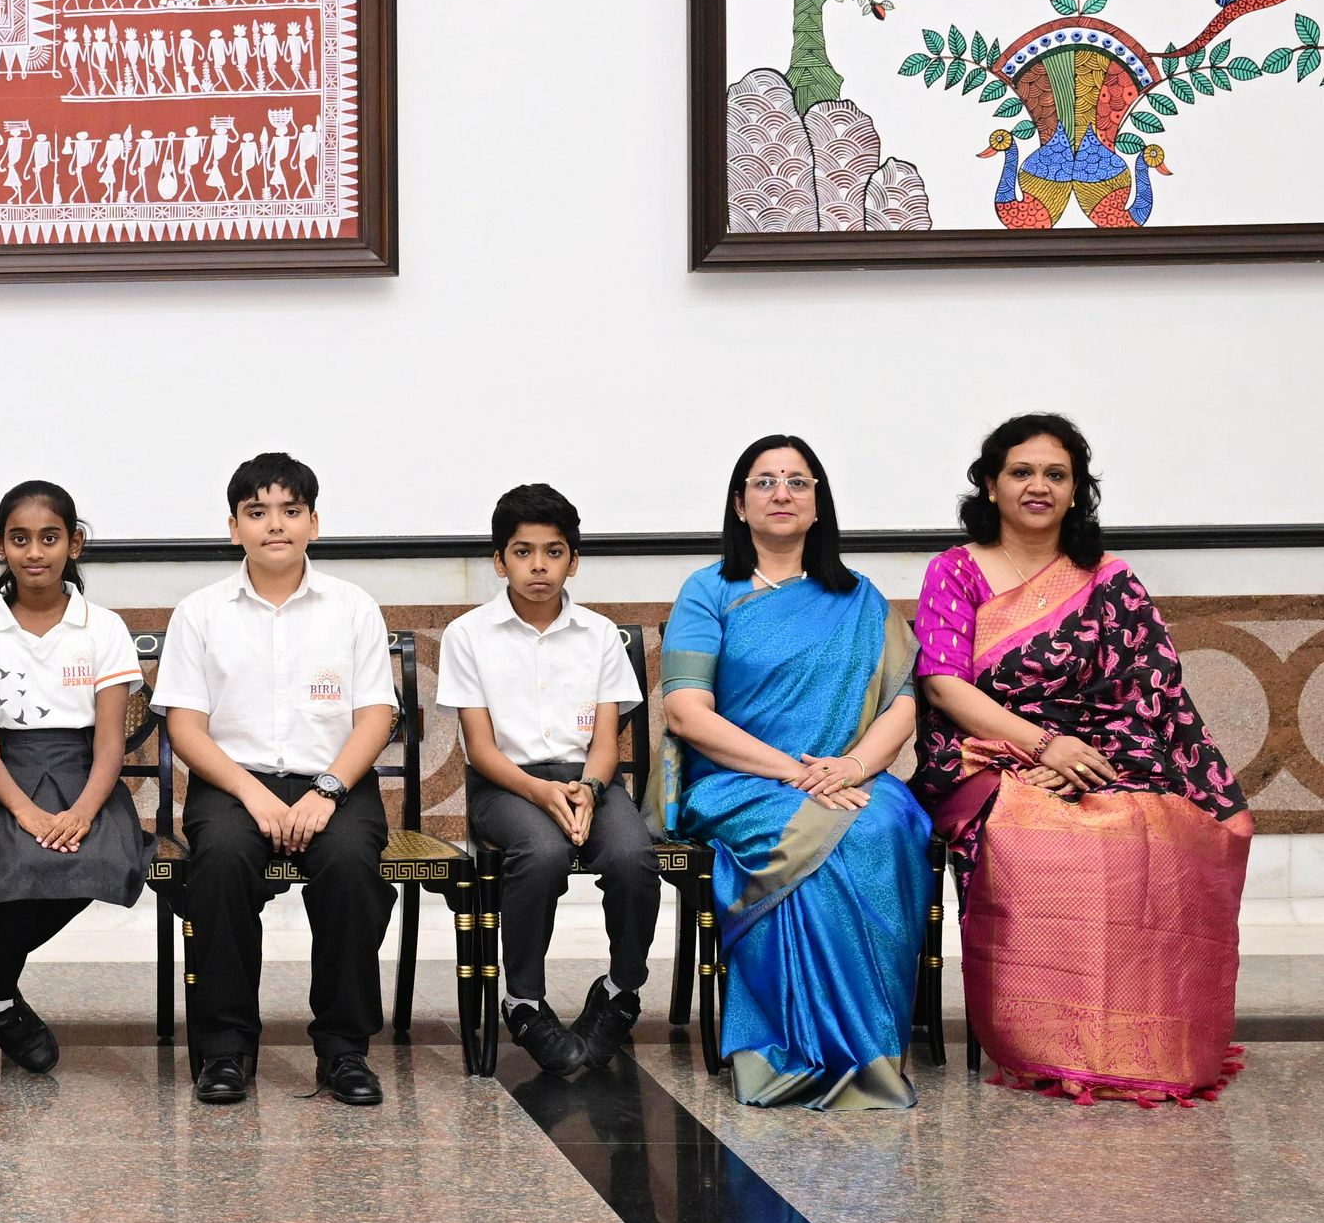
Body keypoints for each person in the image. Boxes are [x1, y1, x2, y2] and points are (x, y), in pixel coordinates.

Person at [913, 413, 1251, 1103]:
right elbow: (944, 686)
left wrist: (1081, 758)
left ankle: (1148, 1039)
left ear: (1076, 491)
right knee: (1039, 835)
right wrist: (1040, 748)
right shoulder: (956, 570)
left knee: (1149, 826)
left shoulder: (1109, 580)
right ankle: (1044, 1039)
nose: (1038, 486)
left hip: (1104, 752)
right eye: (1021, 472)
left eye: (1055, 474)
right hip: (984, 754)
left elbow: (1147, 689)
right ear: (990, 484)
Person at [660, 434, 933, 1111]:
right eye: (765, 481)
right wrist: (793, 773)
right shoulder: (708, 592)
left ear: (818, 504)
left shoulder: (861, 599)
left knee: (883, 826)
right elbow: (687, 713)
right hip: (738, 783)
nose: (781, 493)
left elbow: (903, 703)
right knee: (819, 825)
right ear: (740, 504)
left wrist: (853, 766)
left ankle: (869, 1052)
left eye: (797, 481)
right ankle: (784, 1052)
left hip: (847, 776)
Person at [153, 451, 396, 1110]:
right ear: (234, 528)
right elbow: (185, 727)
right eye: (257, 512)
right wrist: (251, 792)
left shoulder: (352, 607)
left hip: (335, 783)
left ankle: (344, 1050)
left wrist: (328, 791)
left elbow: (376, 717)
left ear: (314, 522)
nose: (275, 524)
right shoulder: (200, 612)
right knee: (221, 864)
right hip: (233, 783)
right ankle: (226, 1050)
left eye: (291, 510)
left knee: (351, 867)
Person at [443, 482, 656, 1081]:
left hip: (590, 781)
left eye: (554, 551)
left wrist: (589, 790)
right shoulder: (468, 635)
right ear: (499, 561)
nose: (539, 565)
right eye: (523, 551)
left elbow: (606, 742)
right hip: (506, 785)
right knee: (540, 853)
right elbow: (481, 750)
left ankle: (620, 991)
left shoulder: (600, 635)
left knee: (634, 857)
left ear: (574, 560)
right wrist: (541, 792)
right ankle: (524, 1001)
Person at [0, 480, 141, 1078]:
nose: (35, 552)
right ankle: (1, 1000)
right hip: (5, 777)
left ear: (75, 544)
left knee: (97, 861)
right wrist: (25, 811)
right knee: (13, 859)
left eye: (50, 538)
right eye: (19, 539)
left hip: (84, 775)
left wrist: (82, 812)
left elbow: (109, 744)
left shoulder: (103, 627)